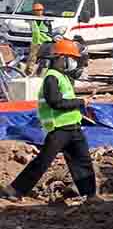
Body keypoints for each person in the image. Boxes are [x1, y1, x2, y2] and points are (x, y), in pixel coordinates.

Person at [2, 39, 97, 201]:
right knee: (43, 161)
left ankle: (90, 195)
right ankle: (14, 190)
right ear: (60, 58)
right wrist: (82, 102)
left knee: (83, 161)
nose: (74, 63)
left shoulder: (63, 77)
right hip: (59, 128)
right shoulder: (51, 78)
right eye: (71, 58)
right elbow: (56, 102)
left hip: (73, 127)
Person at [25, 2, 52, 76]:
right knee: (32, 58)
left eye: (40, 10)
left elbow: (50, 31)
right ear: (34, 11)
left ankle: (39, 73)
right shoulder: (32, 19)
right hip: (36, 41)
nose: (39, 11)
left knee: (44, 59)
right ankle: (27, 73)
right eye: (37, 10)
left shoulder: (46, 20)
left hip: (45, 41)